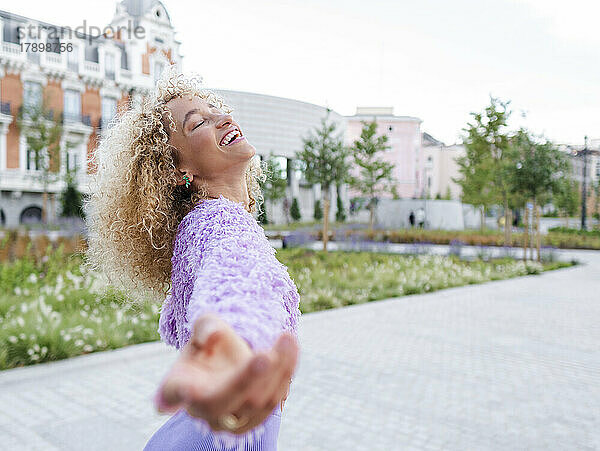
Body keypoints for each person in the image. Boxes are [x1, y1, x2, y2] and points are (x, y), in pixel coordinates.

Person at [83, 66, 301, 451]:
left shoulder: (200, 226)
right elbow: (234, 283)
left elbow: (179, 314)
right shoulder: (221, 223)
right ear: (177, 170)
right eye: (198, 122)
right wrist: (233, 347)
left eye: (216, 109)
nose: (223, 117)